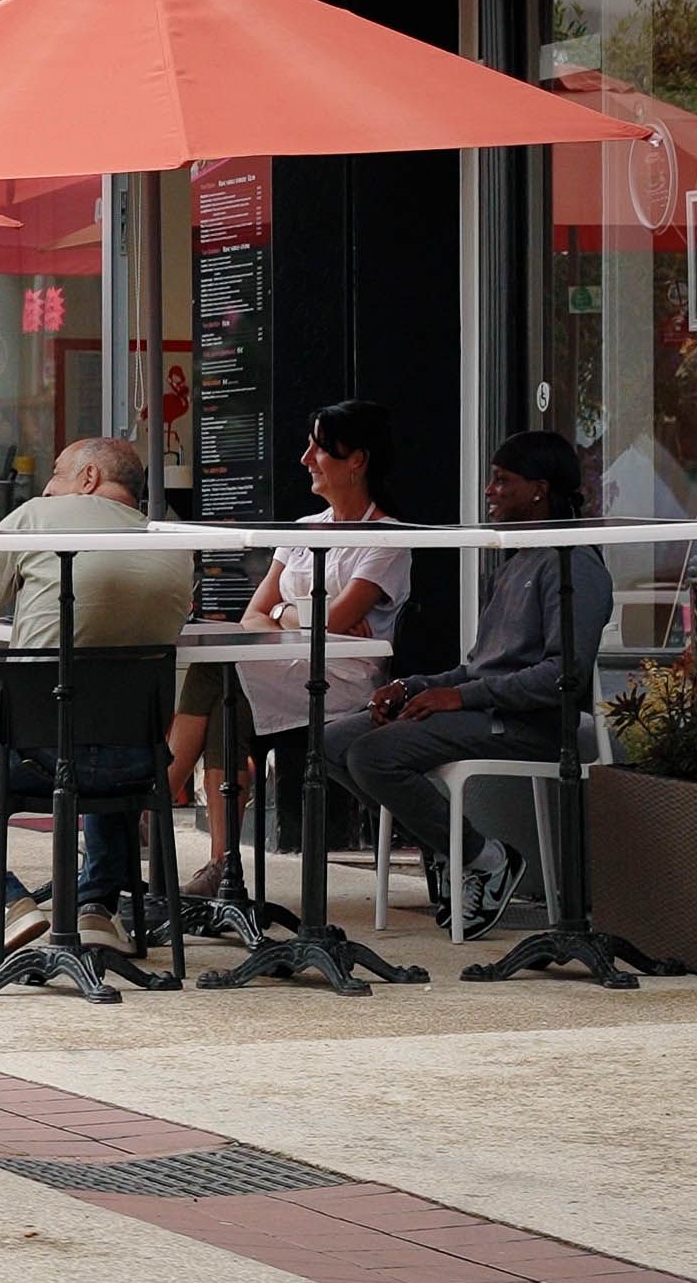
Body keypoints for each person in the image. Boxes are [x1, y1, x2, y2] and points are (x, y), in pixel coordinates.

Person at [0, 437, 195, 968]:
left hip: (39, 750)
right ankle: (97, 907)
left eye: (56, 473)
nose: (48, 487)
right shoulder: (172, 542)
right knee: (105, 727)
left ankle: (3, 903)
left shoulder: (40, 517)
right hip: (136, 760)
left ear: (89, 478)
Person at [332, 430, 607, 939]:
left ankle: (484, 859)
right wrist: (412, 686)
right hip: (484, 710)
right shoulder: (513, 564)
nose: (488, 491)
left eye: (502, 480)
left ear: (540, 489)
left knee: (373, 755)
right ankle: (450, 848)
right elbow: (480, 666)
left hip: (531, 724)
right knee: (331, 743)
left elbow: (561, 676)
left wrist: (461, 697)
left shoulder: (575, 565)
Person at [167, 400, 408, 868]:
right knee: (224, 696)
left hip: (340, 680)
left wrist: (288, 616)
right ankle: (220, 863)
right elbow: (255, 616)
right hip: (283, 667)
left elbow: (330, 625)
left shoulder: (388, 538)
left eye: (319, 448)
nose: (305, 458)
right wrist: (292, 614)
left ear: (356, 460)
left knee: (218, 674)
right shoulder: (302, 530)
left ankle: (158, 813)